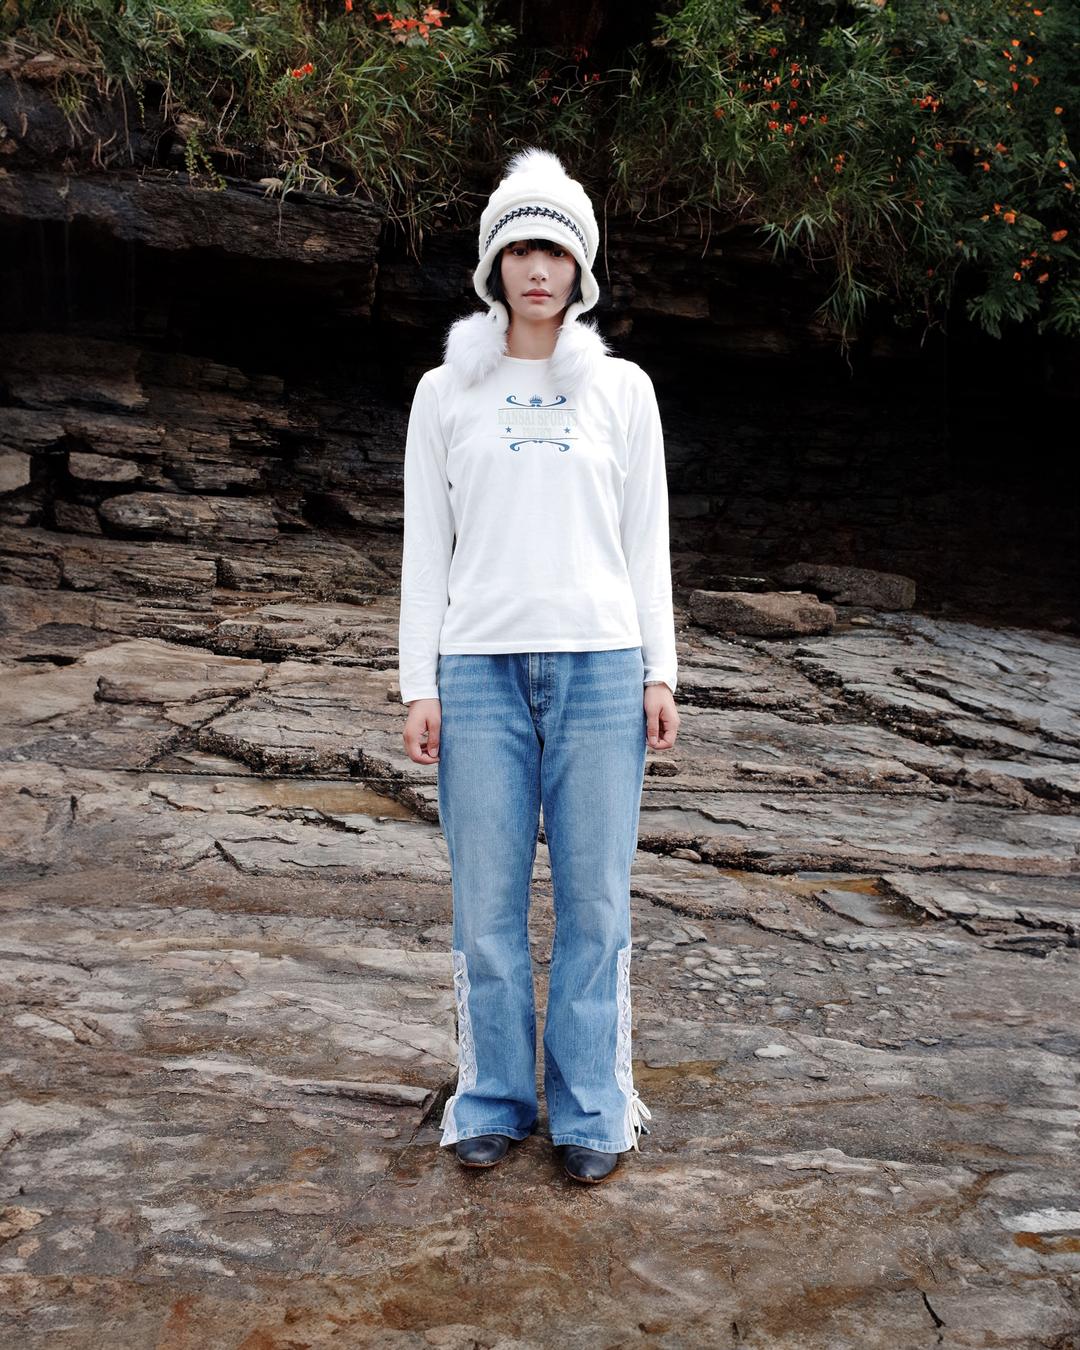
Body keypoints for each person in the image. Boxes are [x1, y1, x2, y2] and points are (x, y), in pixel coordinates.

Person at [397, 146, 680, 1185]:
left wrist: (663, 670)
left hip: (605, 670)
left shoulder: (623, 389)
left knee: (598, 903)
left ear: (581, 268)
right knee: (487, 905)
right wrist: (416, 683)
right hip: (476, 674)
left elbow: (648, 536)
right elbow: (426, 545)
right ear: (491, 265)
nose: (537, 268)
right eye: (518, 246)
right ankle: (494, 1098)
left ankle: (594, 1107)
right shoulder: (444, 393)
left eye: (554, 249)